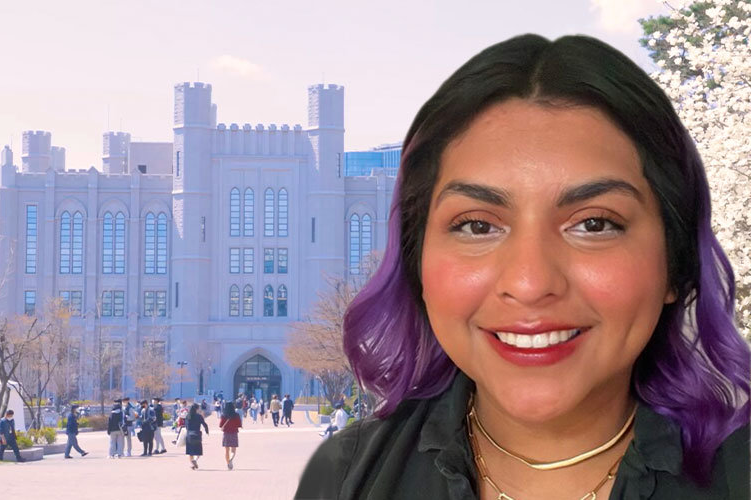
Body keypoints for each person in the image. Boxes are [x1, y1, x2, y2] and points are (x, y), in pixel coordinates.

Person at [296, 34, 751, 499]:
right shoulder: (345, 480)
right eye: (476, 227)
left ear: (675, 263)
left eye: (594, 223)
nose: (530, 283)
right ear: (418, 264)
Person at [185, 403, 209, 470]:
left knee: (190, 452)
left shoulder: (188, 416)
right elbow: (205, 424)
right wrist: (207, 431)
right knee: (198, 451)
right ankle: (195, 460)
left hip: (189, 435)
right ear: (197, 409)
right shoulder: (199, 416)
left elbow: (186, 426)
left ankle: (192, 464)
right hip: (197, 434)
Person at [219, 401, 242, 470]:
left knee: (226, 450)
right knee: (233, 449)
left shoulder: (223, 415)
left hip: (226, 433)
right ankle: (231, 460)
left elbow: (220, 425)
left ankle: (228, 462)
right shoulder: (236, 415)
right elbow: (239, 424)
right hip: (234, 433)